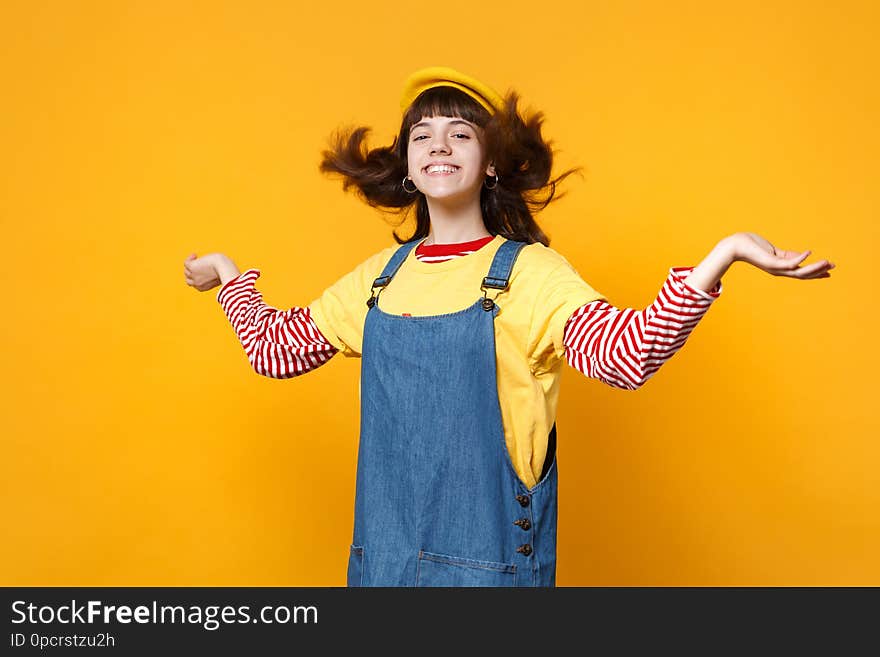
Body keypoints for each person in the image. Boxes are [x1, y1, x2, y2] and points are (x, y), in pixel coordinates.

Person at [183, 67, 835, 587]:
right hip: (379, 575)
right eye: (423, 134)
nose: (439, 143)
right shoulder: (378, 279)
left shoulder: (529, 274)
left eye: (462, 133)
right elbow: (274, 350)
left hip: (491, 580)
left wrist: (722, 255)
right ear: (408, 167)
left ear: (491, 163)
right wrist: (228, 273)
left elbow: (626, 356)